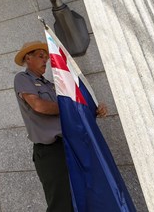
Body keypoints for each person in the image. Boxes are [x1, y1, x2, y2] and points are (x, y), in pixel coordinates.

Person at [13, 40, 107, 211]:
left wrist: (91, 110)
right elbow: (39, 106)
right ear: (28, 58)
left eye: (47, 57)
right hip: (50, 151)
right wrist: (69, 108)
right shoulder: (22, 78)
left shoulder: (51, 85)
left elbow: (71, 111)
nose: (45, 61)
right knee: (61, 204)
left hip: (69, 145)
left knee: (83, 197)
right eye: (41, 56)